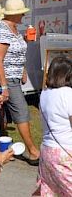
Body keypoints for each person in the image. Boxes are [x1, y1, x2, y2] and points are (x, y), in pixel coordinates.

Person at [0, 0, 40, 164]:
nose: (23, 15)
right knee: (21, 112)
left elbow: (16, 54)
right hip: (7, 79)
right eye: (21, 13)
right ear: (14, 14)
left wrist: (23, 70)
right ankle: (33, 151)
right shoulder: (3, 30)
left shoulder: (14, 29)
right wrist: (4, 85)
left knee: (3, 115)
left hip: (14, 76)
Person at [35, 55, 72, 196]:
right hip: (65, 152)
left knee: (48, 190)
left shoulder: (44, 94)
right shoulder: (68, 94)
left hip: (47, 151)